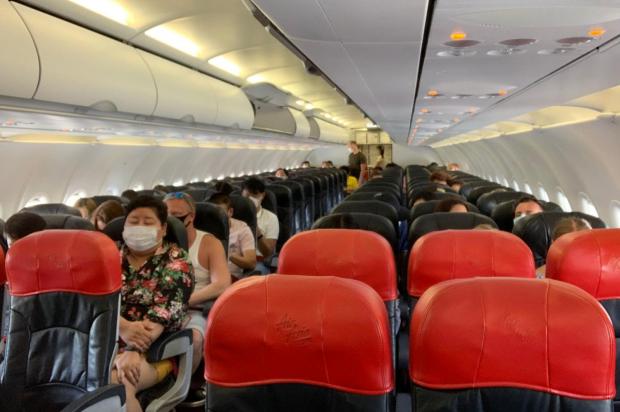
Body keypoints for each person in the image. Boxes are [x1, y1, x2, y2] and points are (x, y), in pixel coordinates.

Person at [112, 195, 194, 412]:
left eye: (148, 222)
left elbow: (162, 313)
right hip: (105, 343)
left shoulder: (177, 261)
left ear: (163, 229)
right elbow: (93, 303)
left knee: (119, 385)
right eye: (133, 221)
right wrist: (123, 326)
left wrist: (132, 349)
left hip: (155, 351)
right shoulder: (109, 258)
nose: (139, 227)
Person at [163, 192, 231, 372]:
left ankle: (181, 383)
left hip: (195, 309)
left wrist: (183, 301)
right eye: (166, 216)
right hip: (160, 308)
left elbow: (222, 284)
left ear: (191, 217)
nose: (171, 221)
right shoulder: (158, 244)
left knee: (194, 339)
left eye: (176, 216)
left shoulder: (209, 243)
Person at [209, 193, 257, 279]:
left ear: (230, 212)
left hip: (231, 277)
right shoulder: (204, 227)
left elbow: (251, 263)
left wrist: (227, 253)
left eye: (221, 213)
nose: (217, 217)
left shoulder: (242, 229)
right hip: (207, 275)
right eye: (214, 213)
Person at [242, 178, 279, 274]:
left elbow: (268, 253)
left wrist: (257, 232)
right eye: (247, 196)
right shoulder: (235, 216)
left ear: (263, 195)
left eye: (254, 195)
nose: (250, 199)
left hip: (259, 260)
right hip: (237, 259)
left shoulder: (271, 218)